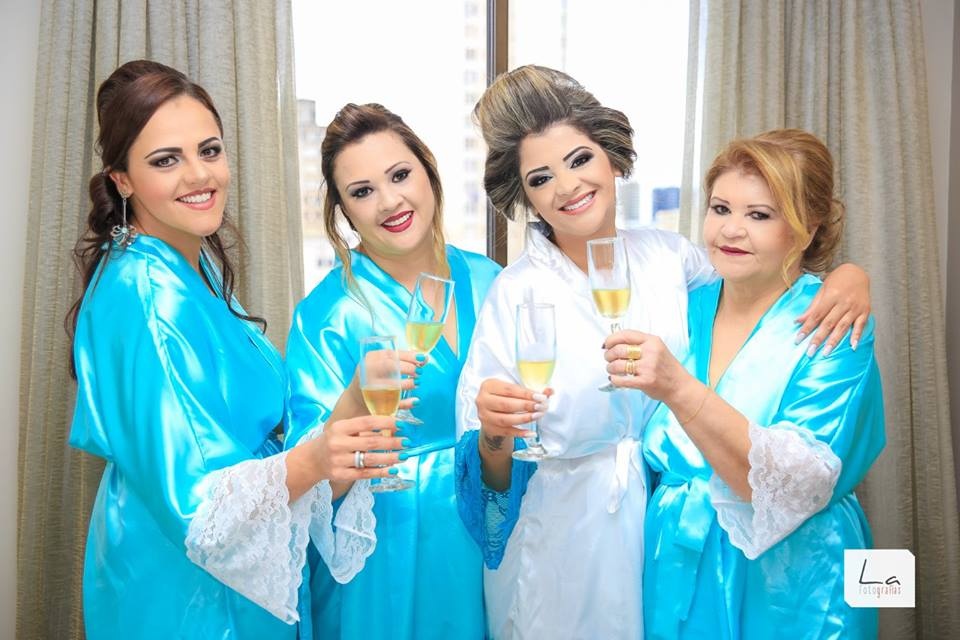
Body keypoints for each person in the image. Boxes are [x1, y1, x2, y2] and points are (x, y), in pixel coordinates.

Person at [454, 65, 872, 639]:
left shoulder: (670, 258)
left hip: (656, 533)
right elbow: (487, 474)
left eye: (579, 160)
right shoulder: (515, 291)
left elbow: (762, 284)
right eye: (541, 178)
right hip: (561, 539)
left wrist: (847, 275)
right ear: (524, 196)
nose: (567, 187)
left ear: (611, 157)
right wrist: (494, 433)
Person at [67, 60, 403, 640]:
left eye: (210, 150)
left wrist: (348, 409)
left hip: (224, 573)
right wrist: (316, 458)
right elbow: (200, 506)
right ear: (122, 180)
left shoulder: (186, 265)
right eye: (166, 160)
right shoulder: (148, 295)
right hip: (185, 591)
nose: (199, 175)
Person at [604, 129, 884, 639]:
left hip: (796, 582)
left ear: (807, 229)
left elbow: (794, 485)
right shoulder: (682, 309)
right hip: (676, 566)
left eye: (760, 215)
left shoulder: (837, 325)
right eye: (720, 209)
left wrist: (678, 388)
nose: (731, 230)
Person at [284, 103, 501, 639]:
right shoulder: (328, 314)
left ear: (428, 171)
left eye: (400, 175)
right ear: (343, 210)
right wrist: (358, 406)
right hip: (387, 554)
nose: (389, 201)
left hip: (492, 535)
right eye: (362, 191)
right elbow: (313, 484)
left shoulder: (492, 281)